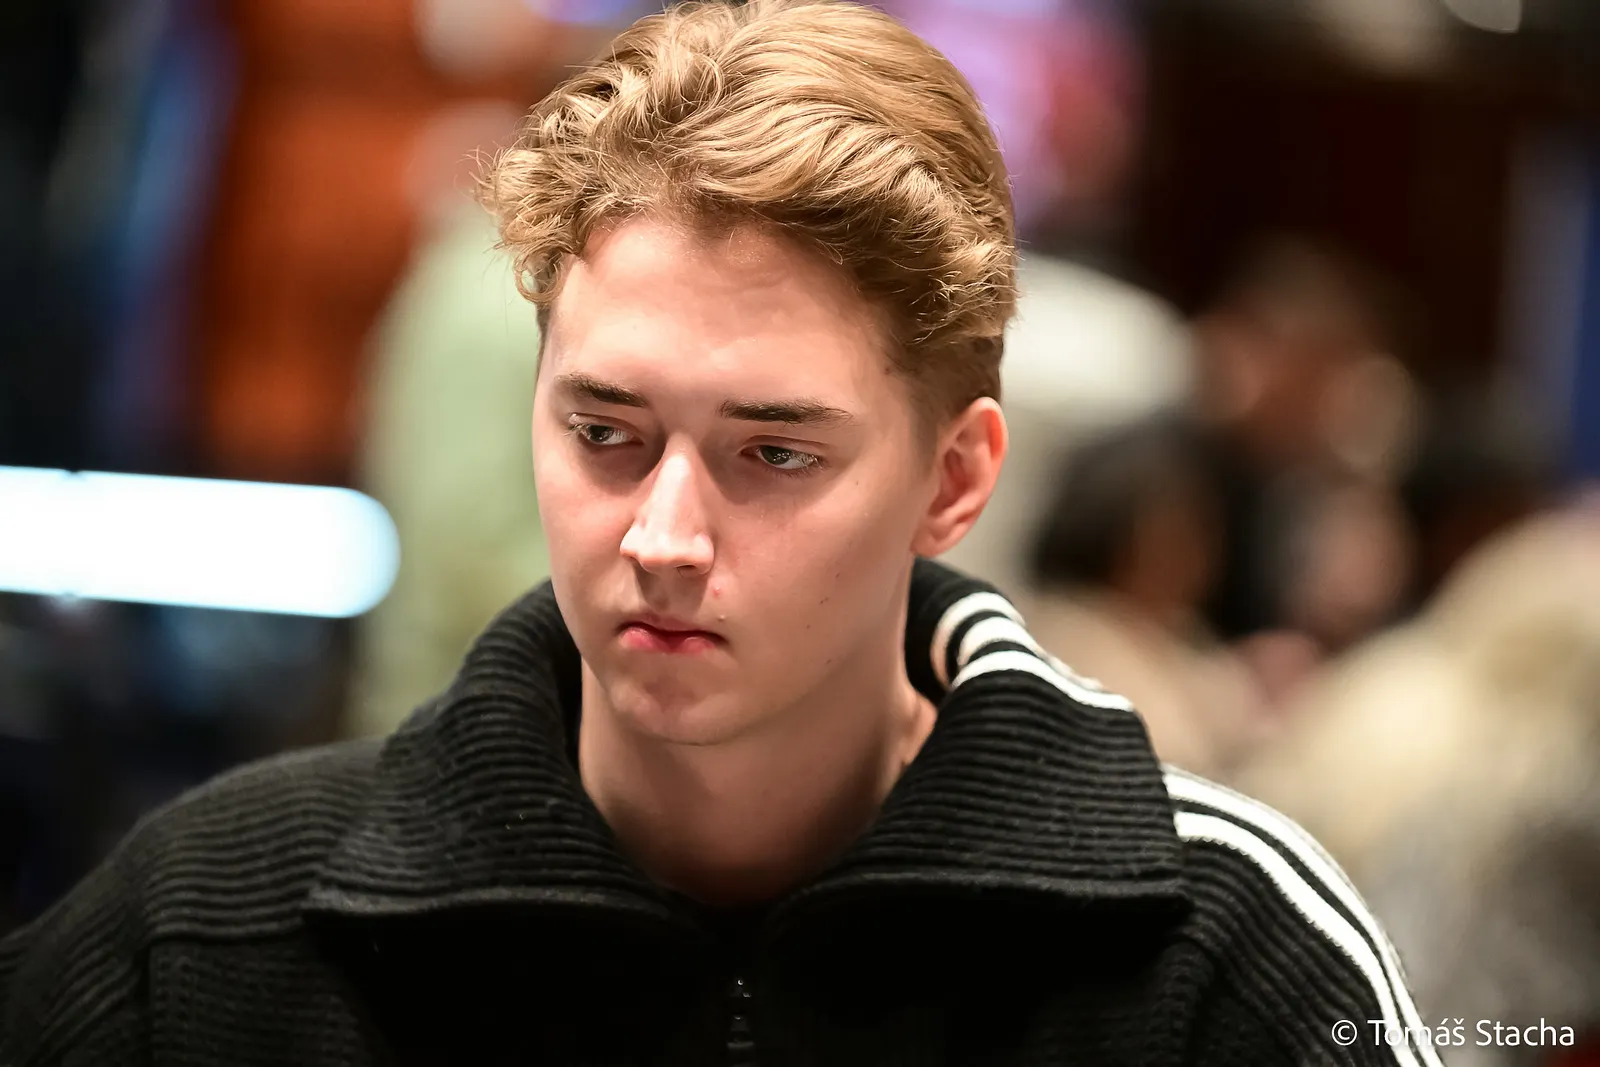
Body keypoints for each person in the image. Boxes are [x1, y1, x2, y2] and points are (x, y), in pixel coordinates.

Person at [0, 3, 1439, 1064]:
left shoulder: (1220, 956)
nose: (665, 536)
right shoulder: (209, 936)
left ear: (953, 481)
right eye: (605, 434)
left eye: (774, 453)